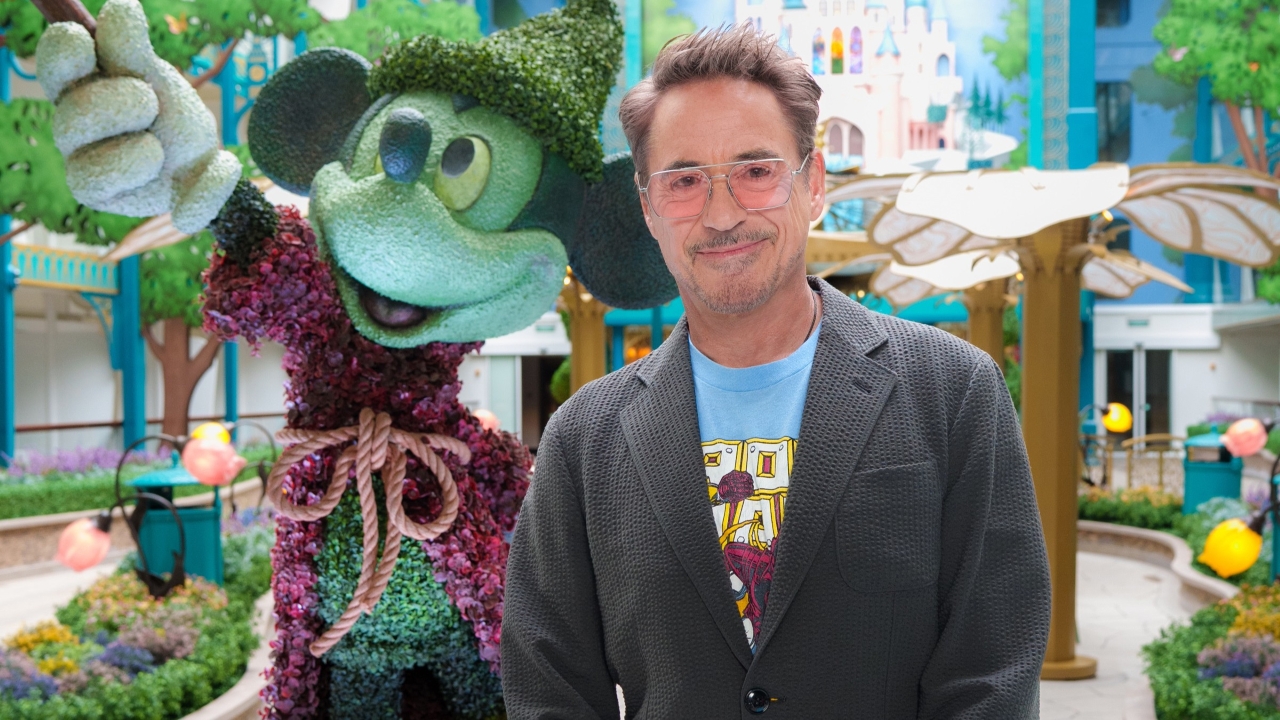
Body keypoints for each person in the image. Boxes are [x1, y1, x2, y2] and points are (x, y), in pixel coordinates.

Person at [501, 23, 1050, 719]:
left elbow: (992, 674)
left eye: (756, 171)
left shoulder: (953, 393)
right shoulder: (585, 437)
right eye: (685, 181)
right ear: (648, 208)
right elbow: (549, 685)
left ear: (813, 184)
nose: (723, 214)